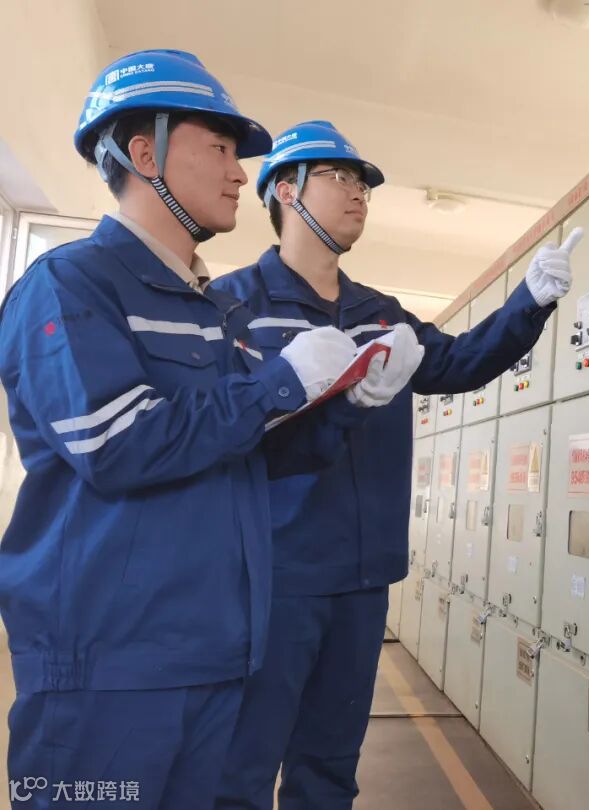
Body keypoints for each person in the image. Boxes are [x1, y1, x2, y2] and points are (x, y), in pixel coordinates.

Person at [0, 52, 420, 809]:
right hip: (112, 669)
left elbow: (248, 457)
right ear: (145, 154)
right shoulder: (70, 284)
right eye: (221, 148)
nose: (238, 172)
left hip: (220, 655)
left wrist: (348, 404)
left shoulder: (216, 312)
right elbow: (117, 443)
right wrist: (281, 383)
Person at [211, 119, 583, 809]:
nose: (360, 194)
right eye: (340, 177)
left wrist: (529, 301)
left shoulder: (378, 313)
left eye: (364, 184)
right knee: (242, 767)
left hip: (363, 578)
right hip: (274, 577)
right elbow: (225, 436)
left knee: (330, 769)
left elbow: (459, 363)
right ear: (286, 191)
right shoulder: (236, 308)